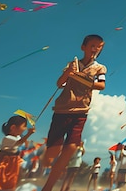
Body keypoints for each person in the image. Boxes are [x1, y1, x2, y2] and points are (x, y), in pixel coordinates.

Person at [41, 34, 107, 191]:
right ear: (83, 47)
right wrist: (68, 72)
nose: (95, 49)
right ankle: (46, 162)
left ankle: (48, 187)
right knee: (52, 153)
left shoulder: (99, 68)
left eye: (99, 46)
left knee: (71, 148)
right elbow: (60, 83)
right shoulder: (73, 64)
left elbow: (101, 86)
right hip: (62, 110)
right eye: (92, 45)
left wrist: (77, 77)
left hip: (81, 112)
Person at [0, 115, 35, 191]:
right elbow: (19, 143)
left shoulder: (17, 137)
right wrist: (29, 134)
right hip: (4, 161)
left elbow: (22, 141)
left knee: (12, 177)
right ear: (13, 127)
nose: (25, 129)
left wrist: (27, 136)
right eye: (24, 126)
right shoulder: (8, 138)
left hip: (13, 160)